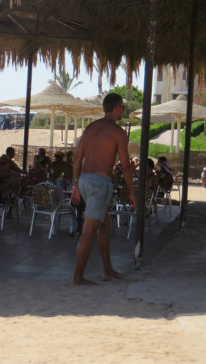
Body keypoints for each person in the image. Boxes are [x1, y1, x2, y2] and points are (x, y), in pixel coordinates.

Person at [72, 93, 135, 286]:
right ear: (116, 108)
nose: (123, 111)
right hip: (99, 183)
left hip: (84, 180)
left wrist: (75, 184)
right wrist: (132, 192)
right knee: (88, 232)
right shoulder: (118, 132)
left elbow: (77, 158)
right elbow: (125, 165)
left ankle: (108, 270)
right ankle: (78, 277)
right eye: (122, 107)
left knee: (104, 225)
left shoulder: (90, 128)